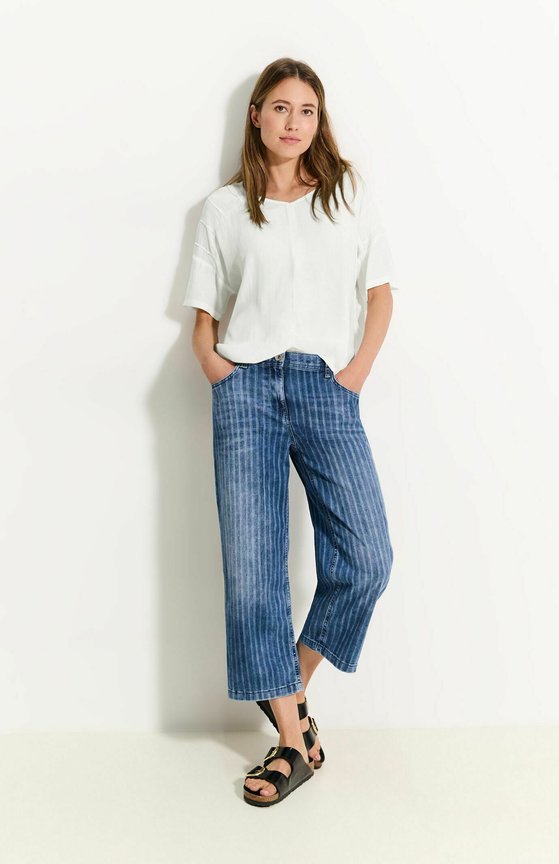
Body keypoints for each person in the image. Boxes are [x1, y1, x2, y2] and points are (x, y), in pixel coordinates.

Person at [183, 57, 398, 807]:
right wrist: (216, 367)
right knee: (253, 571)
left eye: (307, 110)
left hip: (325, 385)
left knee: (367, 558)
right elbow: (204, 312)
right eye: (280, 107)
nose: (294, 122)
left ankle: (287, 695)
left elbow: (380, 294)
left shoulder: (346, 194)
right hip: (245, 389)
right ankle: (291, 743)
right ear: (256, 115)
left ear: (319, 120)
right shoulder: (224, 208)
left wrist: (354, 375)